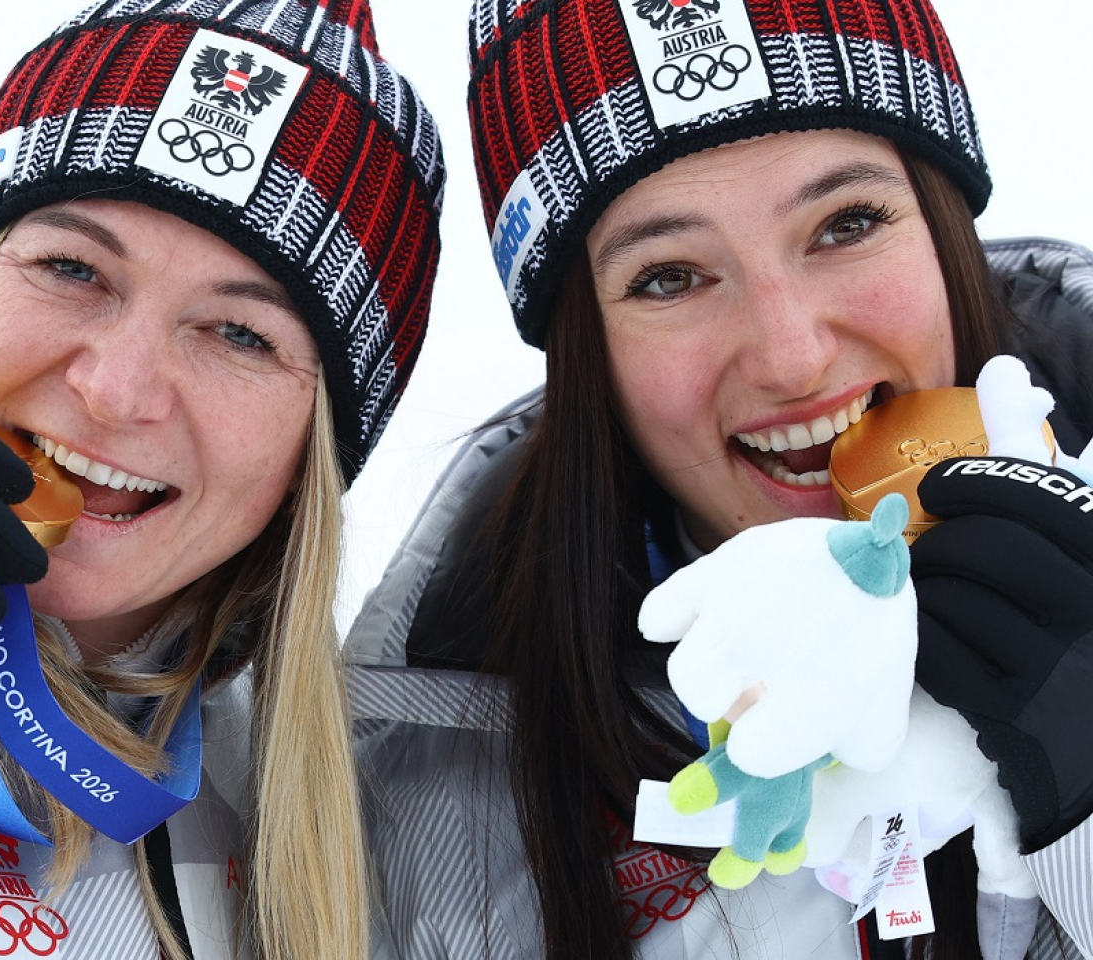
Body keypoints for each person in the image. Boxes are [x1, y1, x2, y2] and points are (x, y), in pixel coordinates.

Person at [344, 0, 1093, 958]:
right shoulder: (433, 767)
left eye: (847, 223)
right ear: (589, 354)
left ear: (944, 227)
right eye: (668, 277)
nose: (790, 355)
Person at [0, 2, 443, 958]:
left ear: (312, 454)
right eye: (72, 267)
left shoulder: (380, 821)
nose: (115, 392)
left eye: (241, 334)